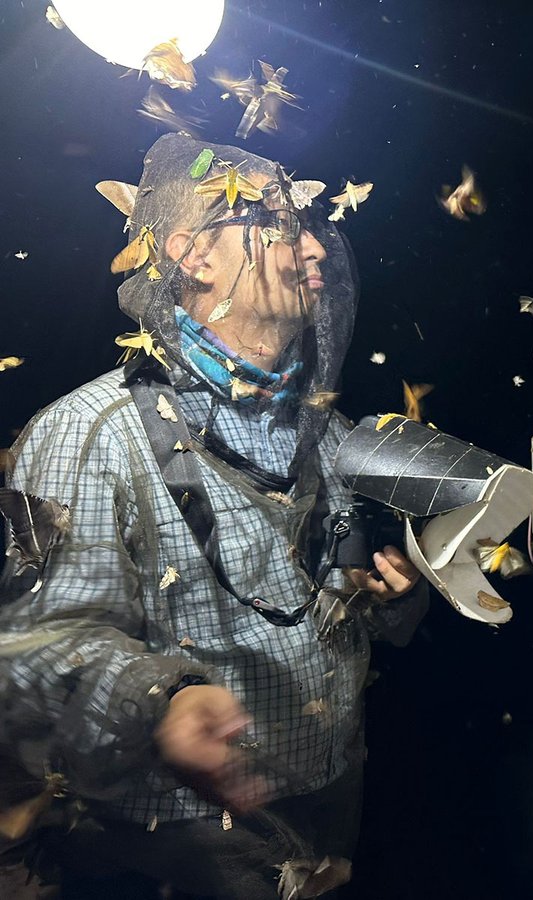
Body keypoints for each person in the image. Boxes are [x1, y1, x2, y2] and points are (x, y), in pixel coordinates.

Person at [0, 133, 428, 899]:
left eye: (309, 222)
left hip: (327, 808)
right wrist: (160, 706)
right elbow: (31, 649)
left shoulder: (323, 429)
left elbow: (329, 608)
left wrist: (387, 596)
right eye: (279, 224)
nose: (318, 249)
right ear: (193, 256)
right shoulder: (92, 430)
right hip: (170, 841)